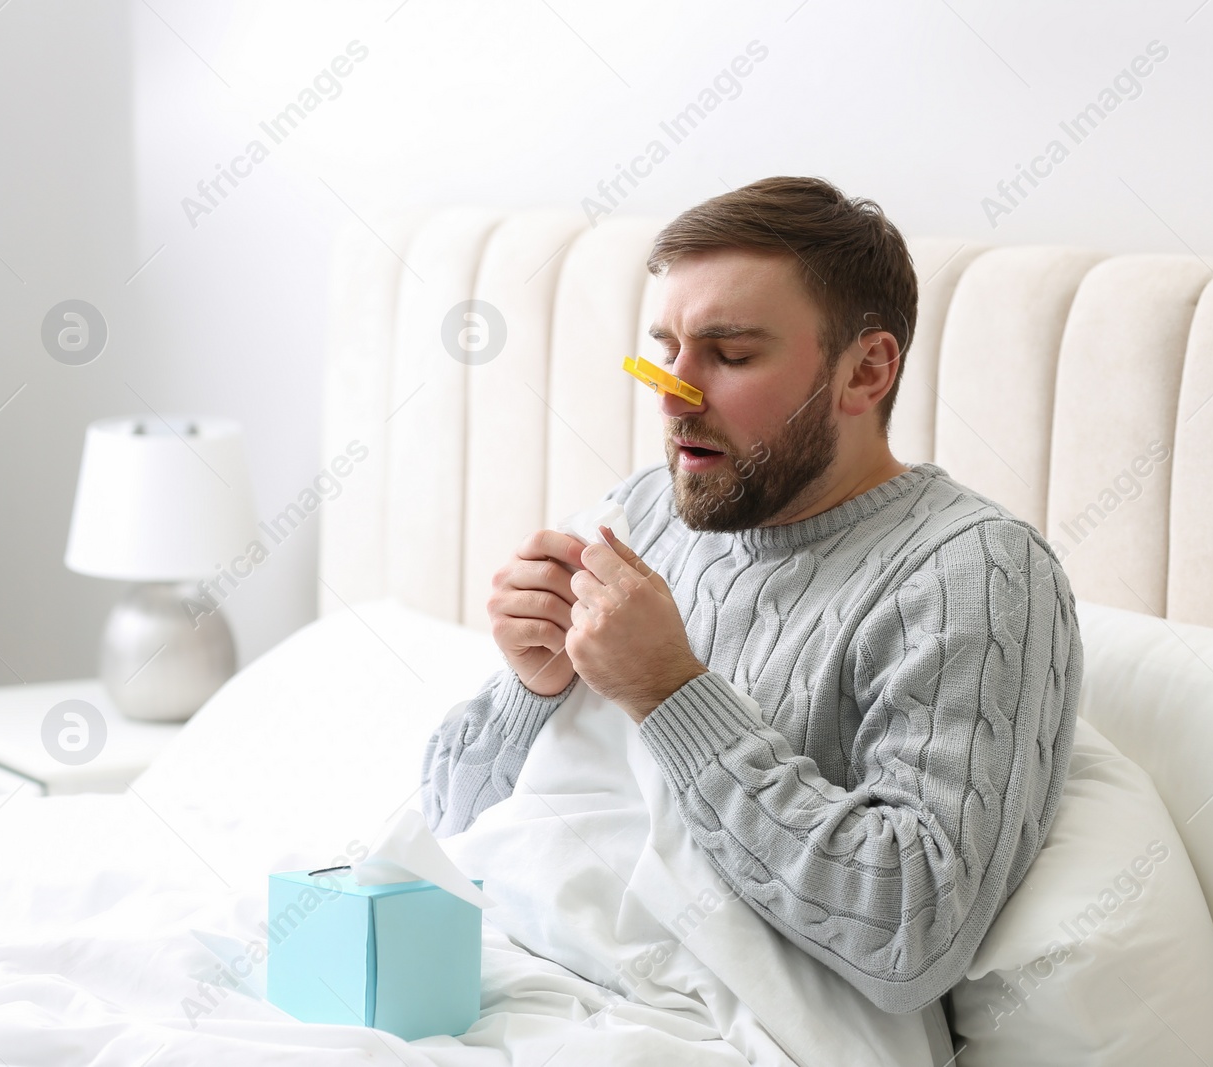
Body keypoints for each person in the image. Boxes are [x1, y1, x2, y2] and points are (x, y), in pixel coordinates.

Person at [422, 175, 1083, 1016]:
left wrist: (671, 693)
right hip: (517, 970)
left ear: (865, 371)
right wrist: (531, 687)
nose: (673, 392)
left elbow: (914, 935)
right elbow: (450, 827)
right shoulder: (645, 512)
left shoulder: (973, 575)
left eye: (731, 355)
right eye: (667, 348)